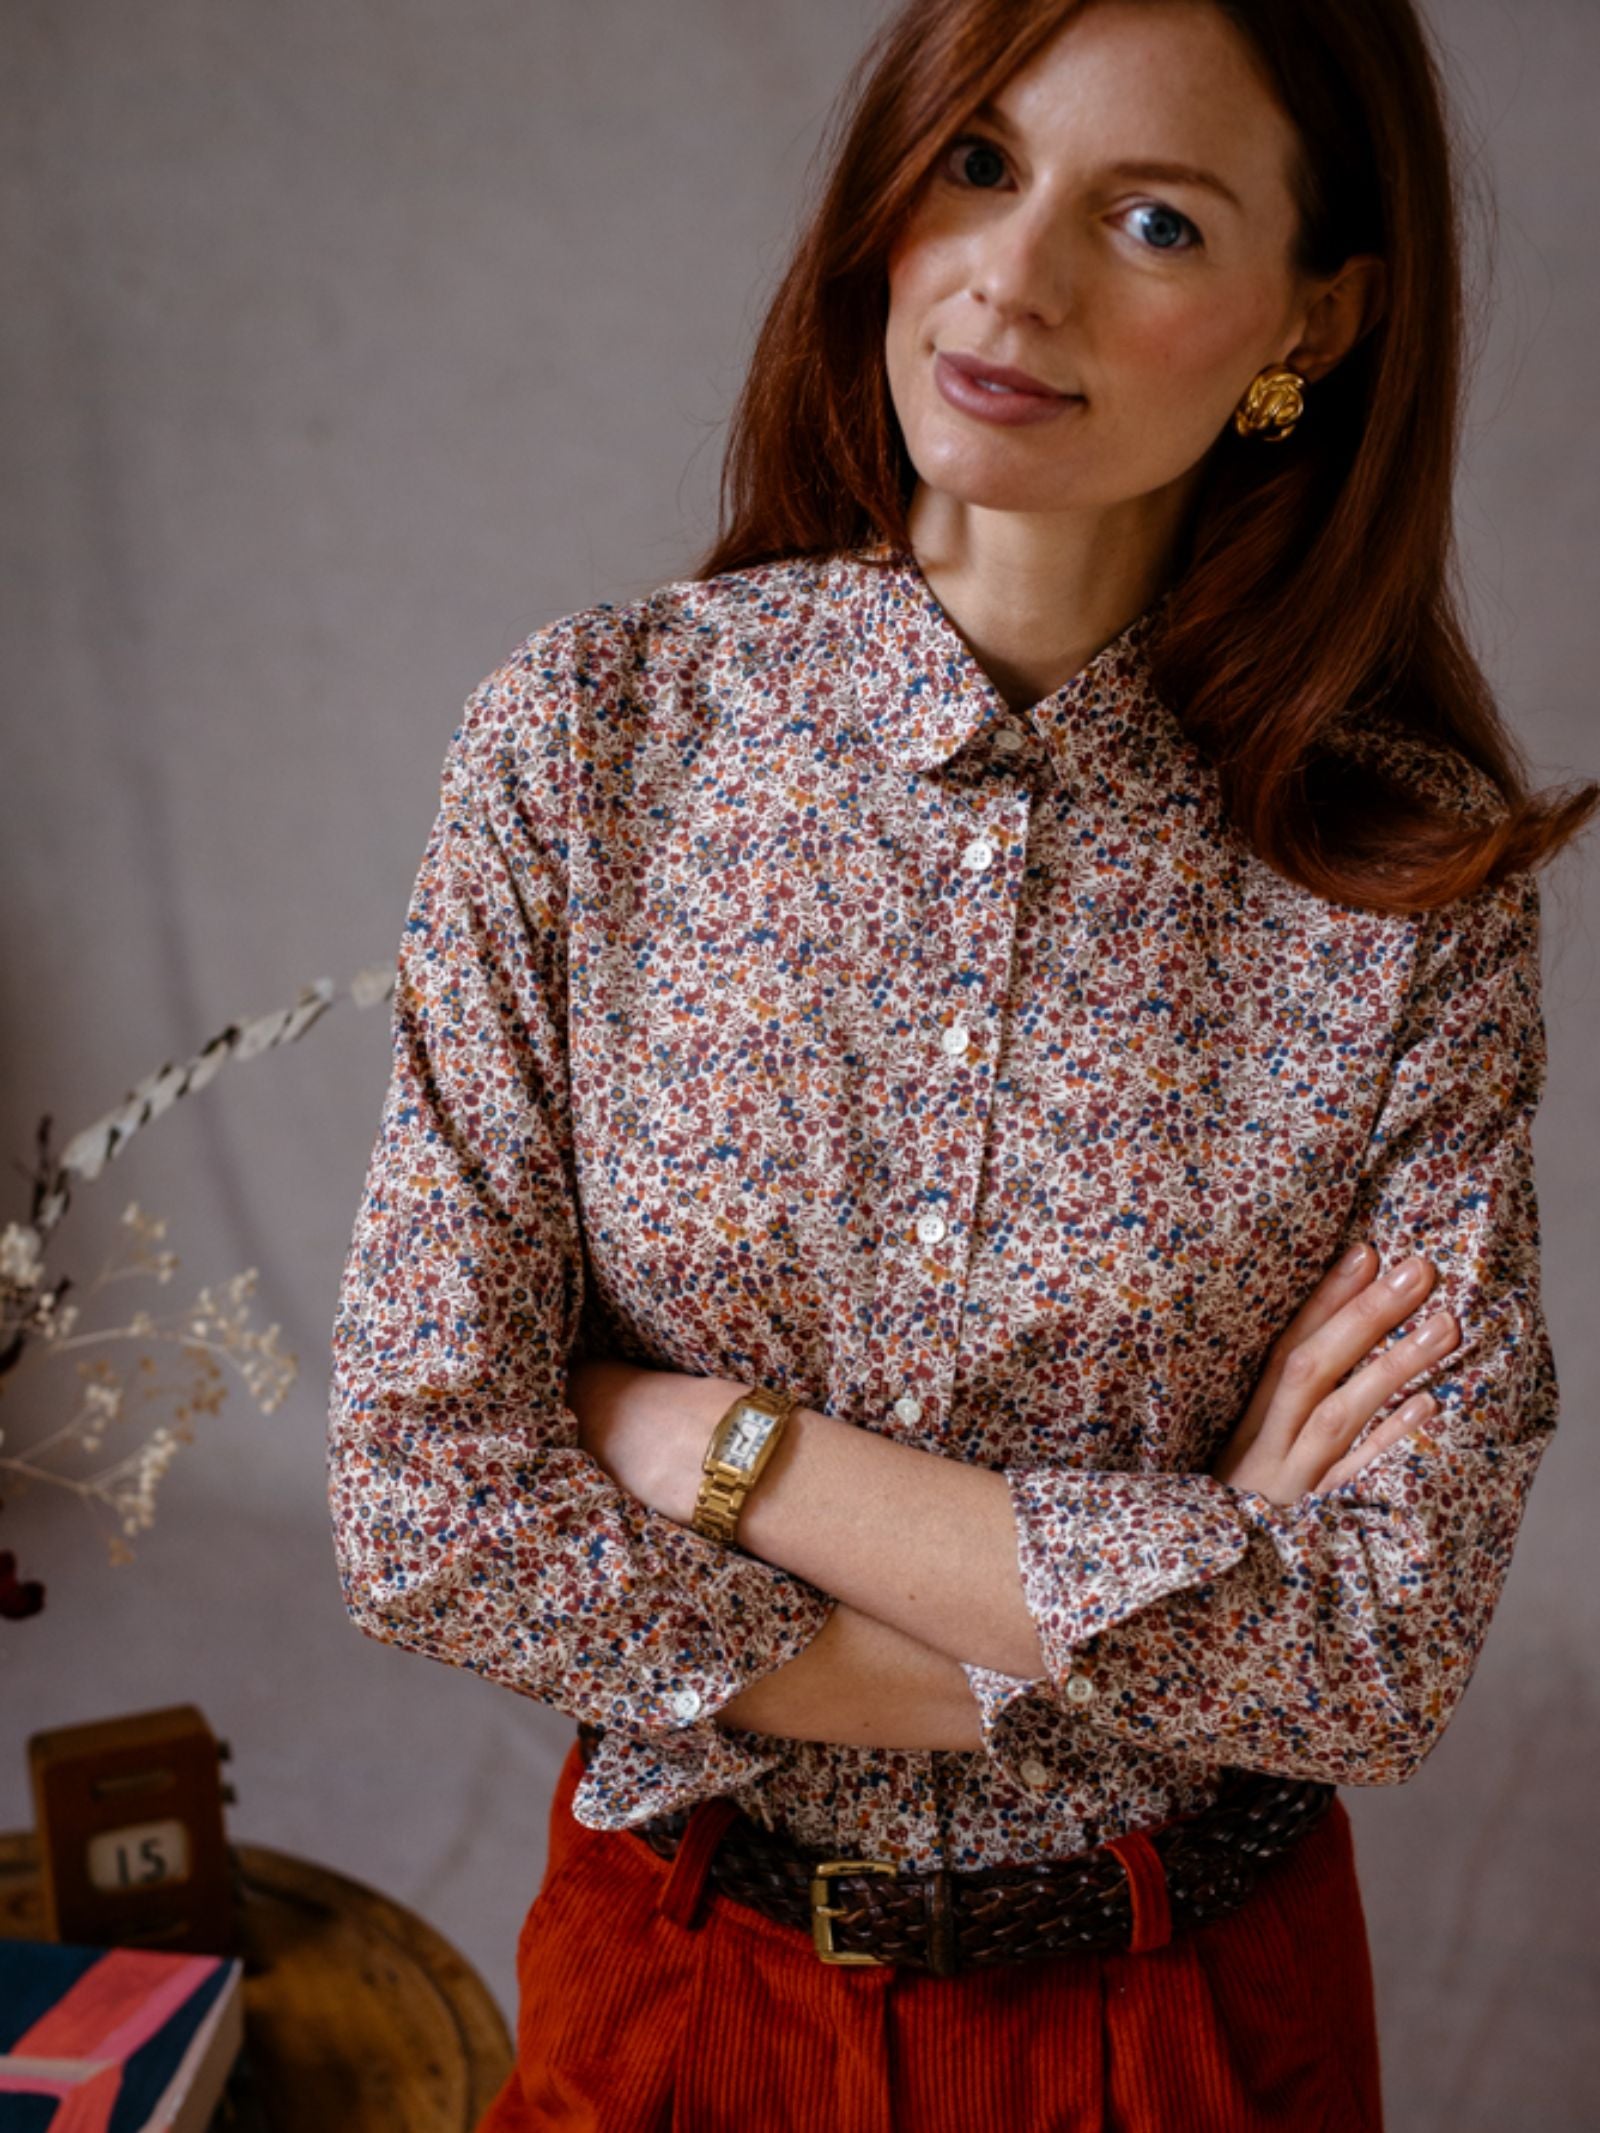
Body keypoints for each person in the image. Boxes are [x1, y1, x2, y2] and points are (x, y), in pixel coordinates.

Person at [326, 1, 1597, 2126]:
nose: (1014, 280)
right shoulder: (586, 747)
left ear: (1315, 313)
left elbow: (1375, 1648)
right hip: (677, 1987)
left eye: (1156, 218)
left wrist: (708, 1439)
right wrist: (1121, 1613)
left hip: (1188, 2012)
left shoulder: (1399, 886)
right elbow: (421, 1503)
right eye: (977, 166)